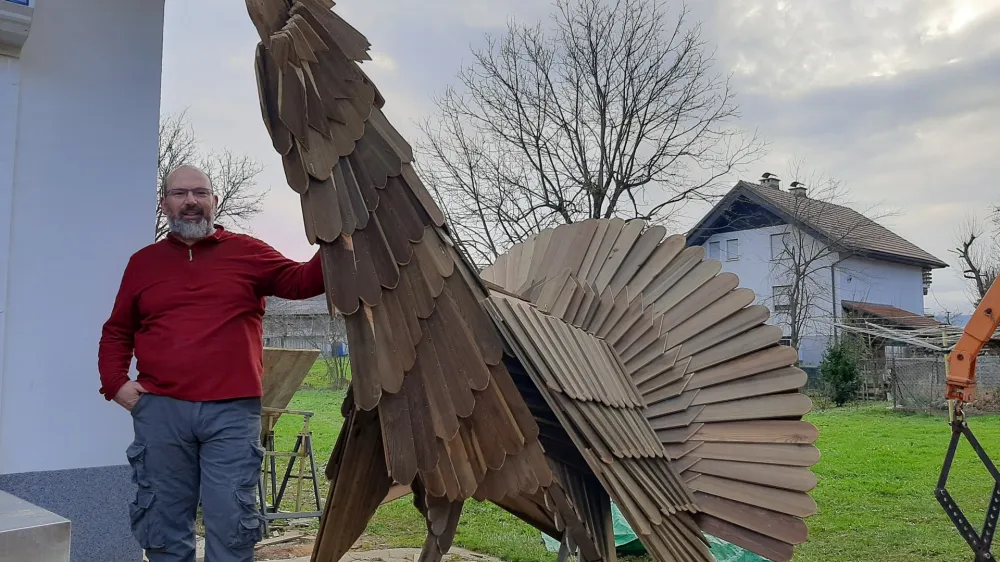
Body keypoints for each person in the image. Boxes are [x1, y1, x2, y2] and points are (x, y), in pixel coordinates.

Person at [98, 165, 326, 562]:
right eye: (180, 193)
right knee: (164, 525)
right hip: (162, 413)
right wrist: (115, 383)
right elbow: (118, 330)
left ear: (214, 202)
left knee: (233, 523)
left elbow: (302, 281)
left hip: (232, 413)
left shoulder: (248, 252)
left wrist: (338, 240)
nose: (190, 202)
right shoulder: (144, 263)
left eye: (200, 193)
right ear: (165, 202)